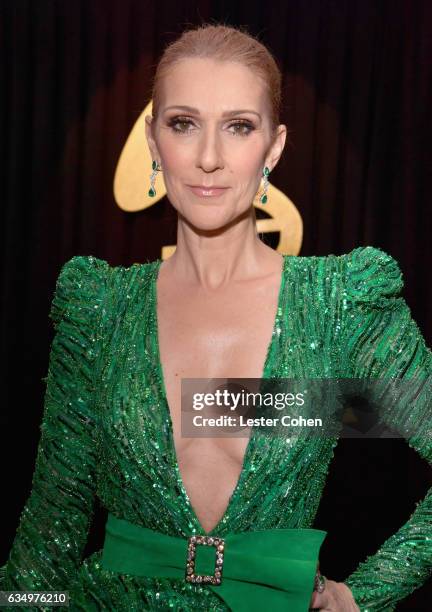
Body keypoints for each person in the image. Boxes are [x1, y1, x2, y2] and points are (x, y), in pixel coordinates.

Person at [1, 22, 432, 612]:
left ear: (274, 147)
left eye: (238, 127)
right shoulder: (99, 310)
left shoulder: (340, 307)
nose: (208, 158)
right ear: (153, 140)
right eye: (184, 124)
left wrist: (365, 594)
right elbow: (53, 524)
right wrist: (26, 605)